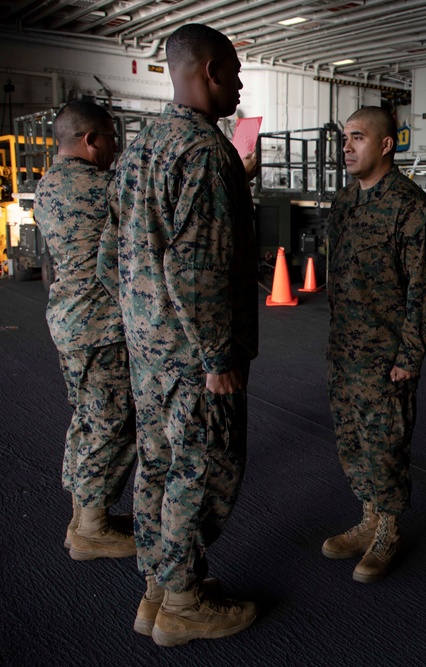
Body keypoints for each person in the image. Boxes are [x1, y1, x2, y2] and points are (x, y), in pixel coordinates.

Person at [97, 23, 259, 645]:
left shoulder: (143, 144)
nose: (240, 84)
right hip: (195, 356)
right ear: (210, 70)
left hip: (149, 350)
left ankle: (159, 590)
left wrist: (143, 324)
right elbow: (199, 268)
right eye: (235, 71)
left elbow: (114, 249)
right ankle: (184, 605)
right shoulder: (206, 152)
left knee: (158, 466)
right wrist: (218, 355)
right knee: (201, 470)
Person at [322, 106, 426, 583]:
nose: (347, 146)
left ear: (386, 144)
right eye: (344, 138)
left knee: (386, 443)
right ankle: (369, 516)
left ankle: (389, 528)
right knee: (351, 440)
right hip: (343, 349)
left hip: (385, 356)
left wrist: (410, 356)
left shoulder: (410, 207)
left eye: (357, 137)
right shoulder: (345, 202)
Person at [34, 100, 136, 562]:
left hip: (69, 320)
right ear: (91, 140)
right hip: (101, 327)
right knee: (112, 423)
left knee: (87, 417)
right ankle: (92, 527)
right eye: (112, 139)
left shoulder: (47, 185)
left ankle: (81, 516)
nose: (115, 149)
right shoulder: (100, 188)